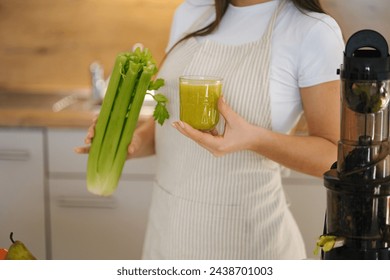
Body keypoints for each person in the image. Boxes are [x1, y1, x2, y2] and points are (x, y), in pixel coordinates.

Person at [77, 0, 345, 259]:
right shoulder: (192, 11)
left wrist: (254, 140)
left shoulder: (313, 31)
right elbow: (171, 121)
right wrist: (130, 142)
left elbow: (333, 155)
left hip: (249, 248)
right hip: (167, 241)